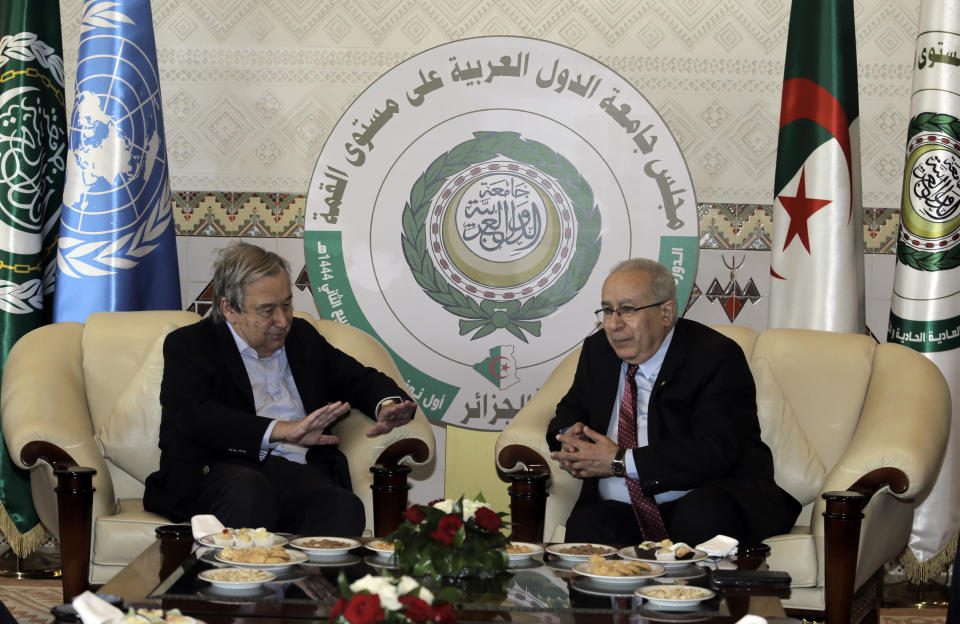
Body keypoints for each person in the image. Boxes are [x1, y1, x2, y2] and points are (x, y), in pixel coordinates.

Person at [143, 242, 416, 536]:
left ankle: (304, 584)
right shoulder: (191, 345)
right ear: (230, 309)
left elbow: (357, 378)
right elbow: (195, 418)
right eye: (267, 310)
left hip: (294, 474)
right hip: (217, 472)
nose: (282, 320)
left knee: (342, 506)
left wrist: (387, 405)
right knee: (249, 489)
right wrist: (282, 430)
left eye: (286, 304)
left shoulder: (302, 337)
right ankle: (242, 580)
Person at [547, 258, 800, 546]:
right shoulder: (598, 352)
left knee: (700, 515)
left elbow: (717, 449)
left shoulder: (714, 356)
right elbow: (570, 409)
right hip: (625, 510)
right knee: (587, 526)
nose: (614, 325)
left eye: (627, 310)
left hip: (702, 497)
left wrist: (619, 461)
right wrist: (571, 435)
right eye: (607, 310)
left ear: (666, 313)